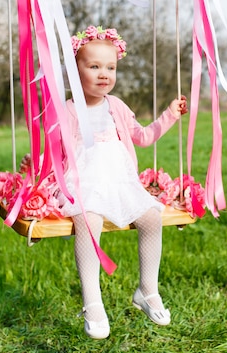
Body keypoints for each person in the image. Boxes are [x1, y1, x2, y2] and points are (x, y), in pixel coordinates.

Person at [59, 25, 187, 339]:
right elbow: (54, 149)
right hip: (84, 182)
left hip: (120, 182)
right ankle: (92, 302)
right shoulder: (69, 109)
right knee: (89, 222)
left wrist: (169, 115)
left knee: (151, 217)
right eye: (94, 66)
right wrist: (32, 170)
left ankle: (147, 289)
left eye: (111, 67)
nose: (104, 74)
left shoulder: (116, 106)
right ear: (75, 71)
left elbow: (142, 137)